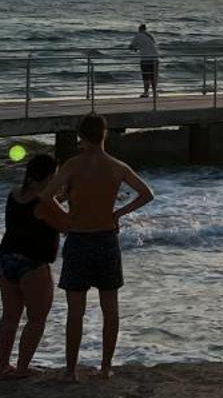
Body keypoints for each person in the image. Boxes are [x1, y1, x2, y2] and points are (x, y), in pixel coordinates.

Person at [38, 114, 154, 380]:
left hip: (79, 238)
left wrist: (66, 216)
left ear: (81, 136)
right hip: (106, 238)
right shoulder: (116, 166)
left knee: (75, 311)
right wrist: (118, 213)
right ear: (104, 134)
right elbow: (147, 194)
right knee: (110, 308)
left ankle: (70, 370)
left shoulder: (72, 165)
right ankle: (105, 367)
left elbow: (46, 197)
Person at [0, 153, 60, 378]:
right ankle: (22, 368)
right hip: (32, 261)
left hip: (5, 257)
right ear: (50, 176)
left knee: (9, 316)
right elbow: (67, 224)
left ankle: (3, 366)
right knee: (36, 318)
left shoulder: (14, 194)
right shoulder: (44, 202)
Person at [129, 23, 160, 99]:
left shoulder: (138, 36)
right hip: (155, 58)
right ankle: (154, 92)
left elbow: (131, 46)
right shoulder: (150, 36)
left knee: (146, 76)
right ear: (145, 29)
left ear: (139, 29)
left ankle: (146, 92)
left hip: (146, 58)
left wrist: (135, 48)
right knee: (153, 76)